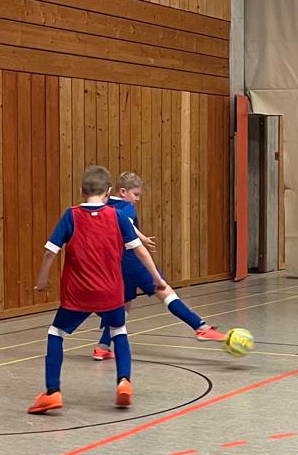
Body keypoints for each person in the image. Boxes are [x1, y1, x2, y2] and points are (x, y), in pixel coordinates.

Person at [28, 164, 158, 415]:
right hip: (111, 292)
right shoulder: (118, 216)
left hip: (78, 293)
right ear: (109, 191)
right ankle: (124, 382)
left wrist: (42, 281)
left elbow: (49, 252)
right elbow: (140, 251)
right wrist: (156, 278)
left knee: (56, 333)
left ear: (81, 191)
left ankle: (52, 392)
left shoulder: (71, 216)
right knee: (119, 331)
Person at [92, 171, 223, 358]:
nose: (137, 199)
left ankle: (103, 347)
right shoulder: (126, 206)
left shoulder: (106, 204)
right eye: (135, 194)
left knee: (124, 305)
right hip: (132, 259)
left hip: (115, 263)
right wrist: (142, 238)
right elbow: (126, 222)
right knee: (164, 290)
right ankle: (200, 326)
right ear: (123, 191)